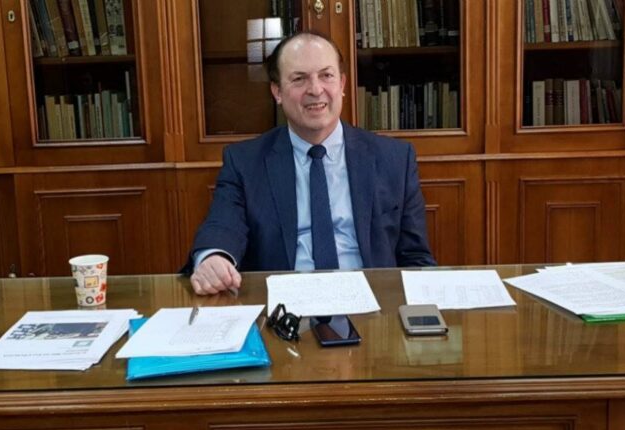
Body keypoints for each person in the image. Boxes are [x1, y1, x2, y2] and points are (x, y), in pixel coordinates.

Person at [182, 31, 436, 295]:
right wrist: (214, 258)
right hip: (284, 306)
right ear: (277, 92)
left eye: (326, 75)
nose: (315, 90)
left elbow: (415, 258)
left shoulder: (394, 159)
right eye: (299, 79)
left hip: (373, 305)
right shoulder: (245, 162)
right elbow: (223, 224)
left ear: (342, 84)